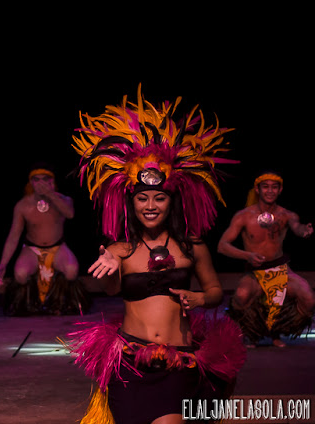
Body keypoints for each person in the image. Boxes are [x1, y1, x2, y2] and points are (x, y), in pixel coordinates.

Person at [67, 86, 246, 424]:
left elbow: (215, 291)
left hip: (180, 363)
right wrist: (107, 268)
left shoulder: (192, 246)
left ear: (171, 201)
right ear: (131, 203)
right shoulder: (121, 248)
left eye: (158, 198)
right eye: (142, 199)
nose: (150, 206)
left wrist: (198, 296)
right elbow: (110, 292)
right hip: (130, 365)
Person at [218, 170, 315, 348]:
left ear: (280, 190)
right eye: (265, 187)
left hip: (280, 269)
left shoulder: (287, 215)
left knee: (308, 297)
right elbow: (222, 245)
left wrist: (304, 231)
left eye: (274, 187)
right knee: (242, 295)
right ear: (257, 189)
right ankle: (249, 332)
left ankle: (277, 331)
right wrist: (247, 255)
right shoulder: (244, 216)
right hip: (255, 272)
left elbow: (297, 227)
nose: (270, 191)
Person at [0, 162, 90, 316]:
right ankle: (31, 304)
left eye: (44, 179)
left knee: (71, 271)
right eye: (36, 179)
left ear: (51, 181)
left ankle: (60, 303)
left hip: (58, 247)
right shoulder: (22, 205)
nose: (40, 183)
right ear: (30, 182)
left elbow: (70, 214)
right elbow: (14, 236)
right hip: (32, 249)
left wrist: (50, 195)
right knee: (20, 274)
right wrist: (3, 263)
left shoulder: (64, 200)